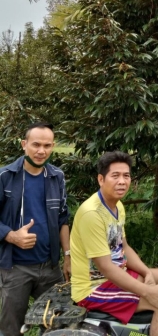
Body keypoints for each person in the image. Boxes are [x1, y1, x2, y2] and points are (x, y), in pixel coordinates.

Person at [71, 151, 158, 336]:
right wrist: (148, 292)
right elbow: (106, 268)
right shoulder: (92, 214)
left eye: (126, 175)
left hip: (117, 274)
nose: (122, 181)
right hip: (94, 287)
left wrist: (146, 272)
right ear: (101, 179)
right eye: (115, 176)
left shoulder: (117, 205)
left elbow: (124, 247)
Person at [0, 121, 70, 336]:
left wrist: (67, 256)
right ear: (24, 144)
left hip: (50, 268)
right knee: (11, 329)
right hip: (15, 269)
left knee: (60, 324)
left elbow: (62, 218)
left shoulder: (56, 177)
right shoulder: (5, 177)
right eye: (36, 144)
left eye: (47, 146)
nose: (41, 151)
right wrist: (11, 236)